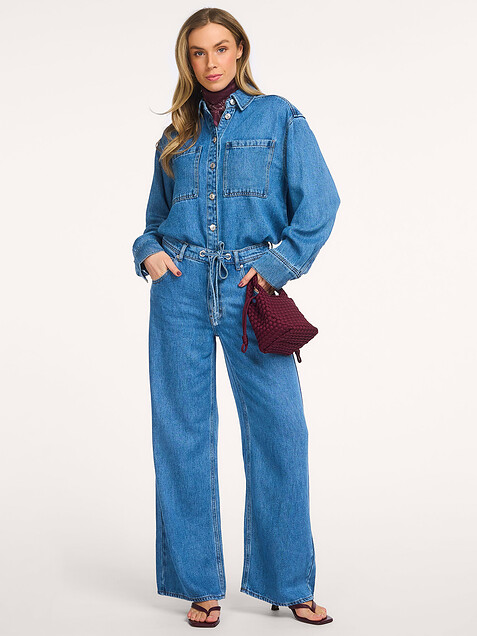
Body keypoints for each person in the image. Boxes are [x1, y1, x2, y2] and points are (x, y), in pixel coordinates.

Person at [131, 7, 340, 628]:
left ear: (240, 51)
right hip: (180, 290)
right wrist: (148, 252)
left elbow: (321, 202)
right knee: (183, 435)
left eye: (221, 48)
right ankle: (199, 584)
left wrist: (277, 266)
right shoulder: (176, 133)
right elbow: (153, 222)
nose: (211, 62)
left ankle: (288, 582)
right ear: (187, 60)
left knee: (281, 432)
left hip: (250, 291)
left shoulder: (279, 117)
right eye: (198, 52)